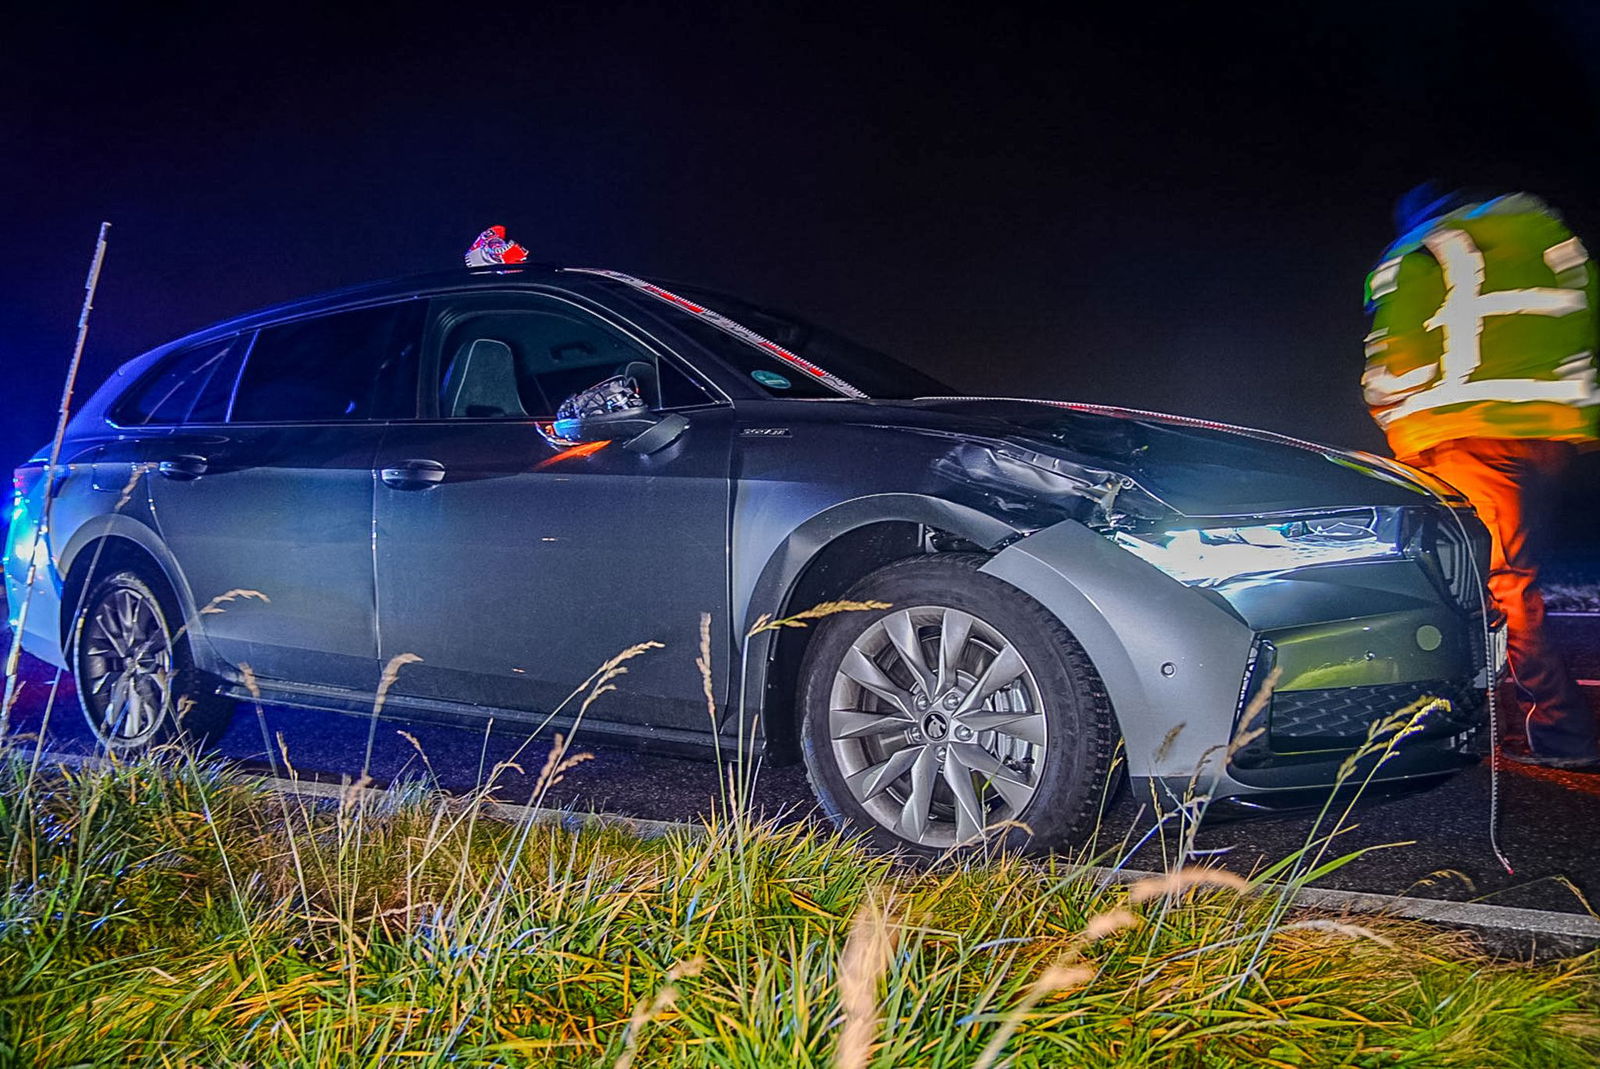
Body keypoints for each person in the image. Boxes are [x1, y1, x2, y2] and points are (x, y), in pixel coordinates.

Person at [1362, 184, 1600, 771]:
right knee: (1507, 580)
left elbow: (1395, 361)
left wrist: (1397, 428)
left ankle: (1561, 735)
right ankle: (1513, 724)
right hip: (1548, 439)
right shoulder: (1552, 243)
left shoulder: (1424, 251)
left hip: (1461, 437)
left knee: (1481, 584)